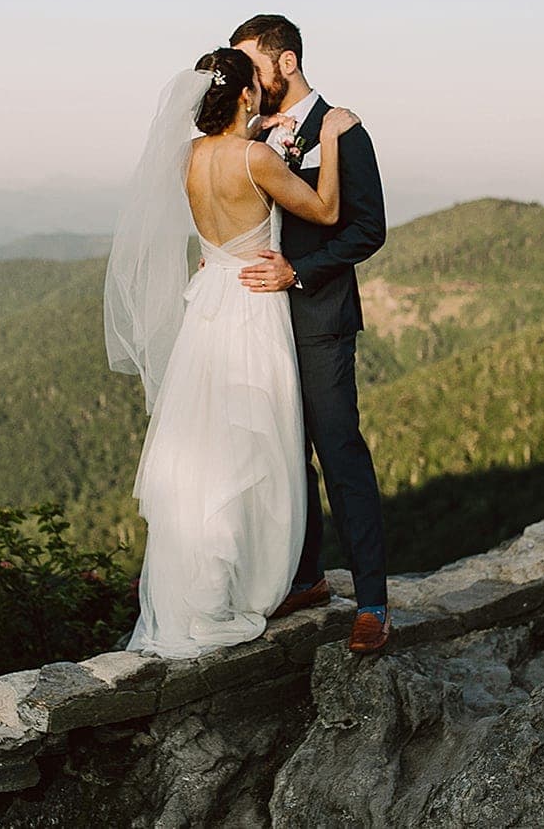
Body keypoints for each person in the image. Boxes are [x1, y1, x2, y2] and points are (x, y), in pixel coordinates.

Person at [104, 46, 360, 658]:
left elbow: (213, 188)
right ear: (246, 94)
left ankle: (203, 588)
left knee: (207, 444)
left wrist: (260, 128)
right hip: (253, 302)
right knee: (252, 442)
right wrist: (330, 139)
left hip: (208, 301)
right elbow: (326, 209)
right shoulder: (257, 158)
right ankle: (243, 581)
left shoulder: (186, 157)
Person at [230, 14, 392, 654]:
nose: (246, 79)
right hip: (259, 320)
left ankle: (373, 603)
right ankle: (305, 577)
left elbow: (368, 229)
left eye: (253, 65)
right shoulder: (253, 134)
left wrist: (299, 272)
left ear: (287, 62)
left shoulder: (342, 130)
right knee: (284, 455)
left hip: (319, 319)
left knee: (339, 452)